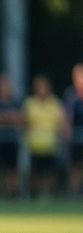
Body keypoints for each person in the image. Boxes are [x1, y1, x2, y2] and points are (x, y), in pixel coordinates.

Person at [23, 75, 67, 198]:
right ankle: (35, 195)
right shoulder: (30, 103)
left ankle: (49, 195)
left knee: (50, 172)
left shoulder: (55, 103)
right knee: (35, 173)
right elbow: (25, 122)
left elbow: (61, 122)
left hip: (51, 146)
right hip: (34, 146)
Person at [0, 73, 24, 199]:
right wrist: (8, 117)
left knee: (13, 168)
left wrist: (2, 117)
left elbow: (19, 118)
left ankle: (13, 194)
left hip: (12, 139)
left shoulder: (15, 101)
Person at [63, 63, 83, 196]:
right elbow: (68, 116)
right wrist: (67, 133)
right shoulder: (70, 94)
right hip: (75, 138)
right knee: (75, 165)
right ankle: (74, 192)